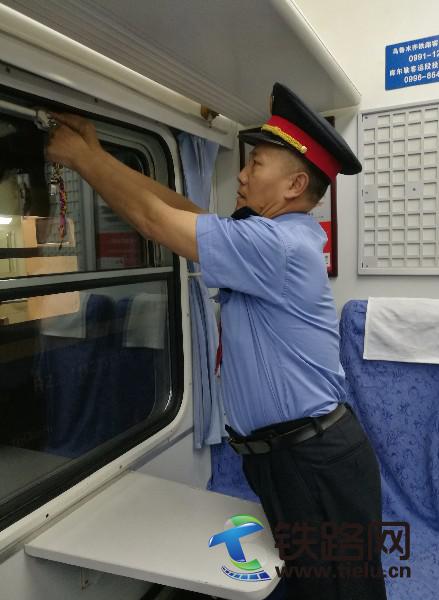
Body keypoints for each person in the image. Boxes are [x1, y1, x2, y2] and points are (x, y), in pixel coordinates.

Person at [46, 82, 387, 600]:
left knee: (342, 593)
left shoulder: (275, 245)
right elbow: (180, 210)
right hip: (291, 458)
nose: (243, 174)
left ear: (295, 184)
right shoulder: (274, 238)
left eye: (256, 164)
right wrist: (97, 152)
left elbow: (153, 221)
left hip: (313, 460)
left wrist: (81, 159)